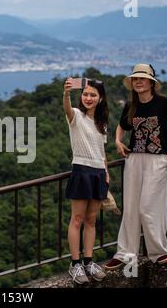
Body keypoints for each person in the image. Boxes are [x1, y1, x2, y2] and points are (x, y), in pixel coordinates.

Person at [105, 64, 167, 271]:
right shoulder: (131, 106)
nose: (138, 82)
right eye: (135, 79)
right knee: (132, 207)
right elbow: (121, 126)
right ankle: (126, 254)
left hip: (158, 160)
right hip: (134, 159)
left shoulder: (164, 103)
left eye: (142, 79)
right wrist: (118, 141)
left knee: (149, 207)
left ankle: (159, 251)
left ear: (151, 82)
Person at [63, 77, 109, 284]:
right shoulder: (76, 116)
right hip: (81, 171)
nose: (88, 98)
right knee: (77, 219)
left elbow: (102, 152)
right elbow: (67, 110)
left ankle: (89, 261)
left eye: (93, 95)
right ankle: (75, 264)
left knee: (91, 220)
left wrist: (106, 173)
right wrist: (66, 94)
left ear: (100, 99)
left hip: (98, 173)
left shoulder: (102, 123)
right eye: (86, 94)